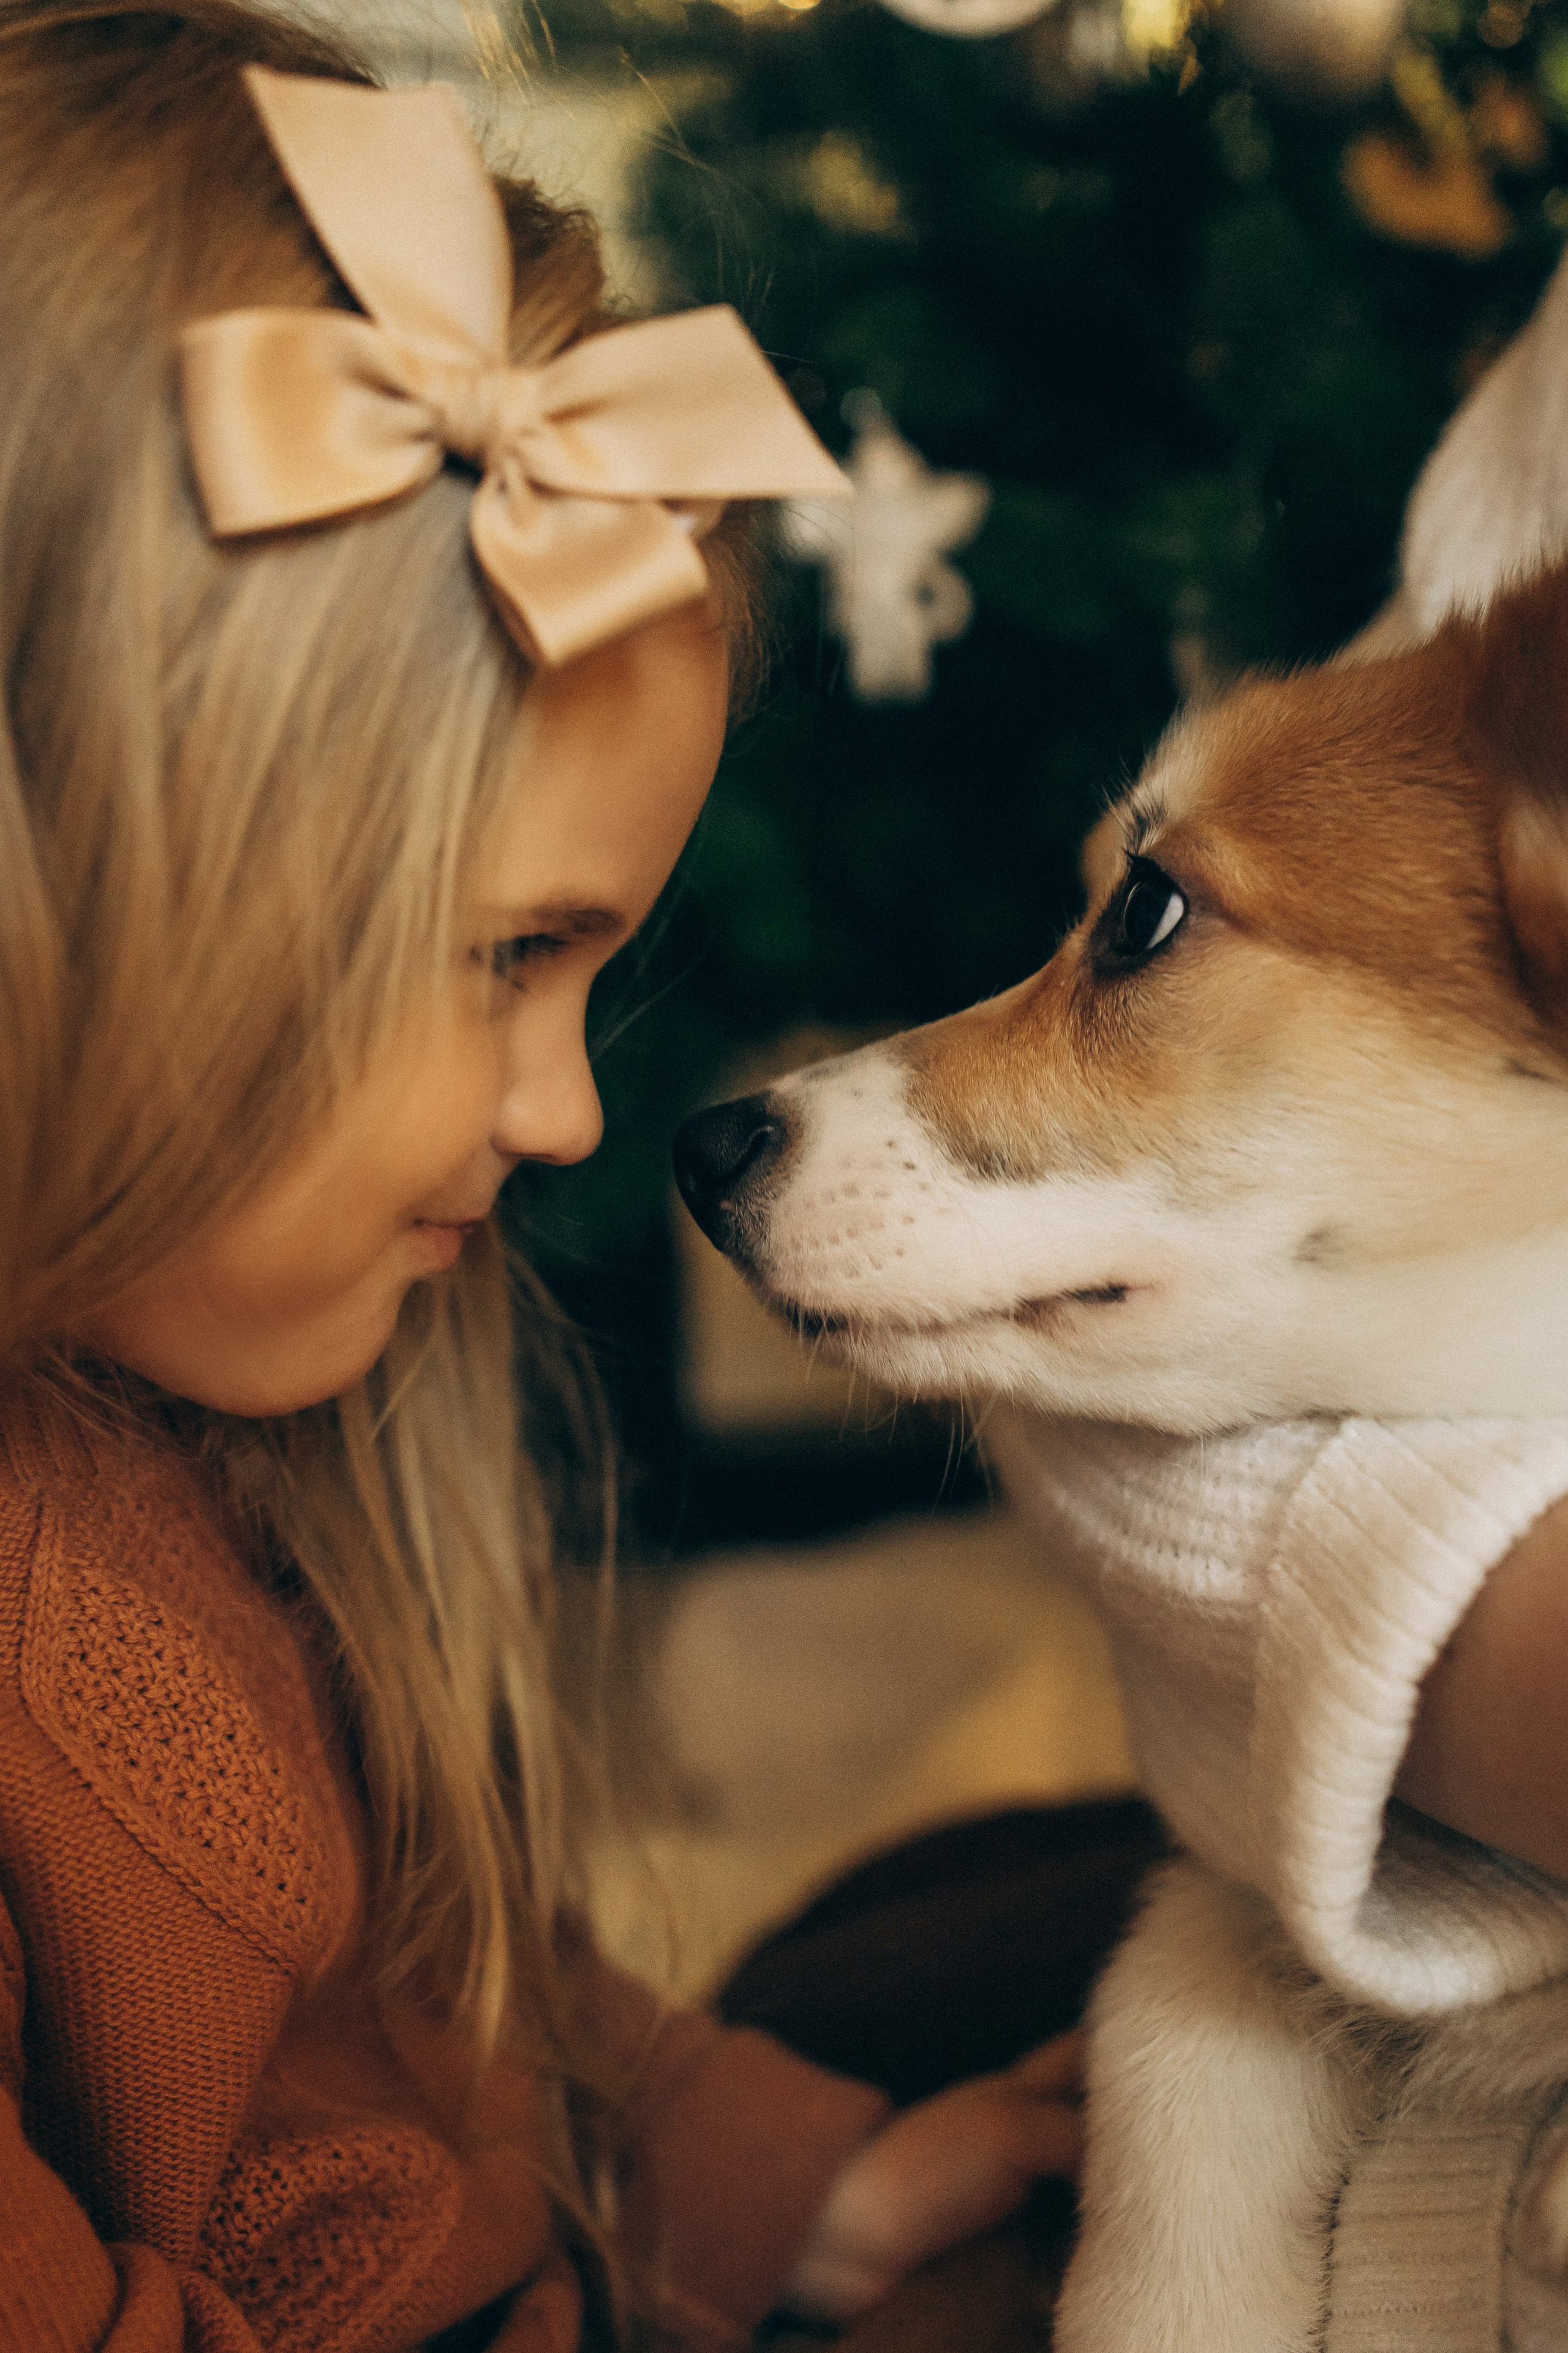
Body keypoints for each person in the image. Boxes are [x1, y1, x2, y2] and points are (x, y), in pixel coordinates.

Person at [0, 7, 1098, 2348]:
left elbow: (453, 1997)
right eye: (510, 956)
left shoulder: (222, 1407)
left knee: (1051, 1913)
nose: (569, 1111)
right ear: (86, 890)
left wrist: (799, 2192)